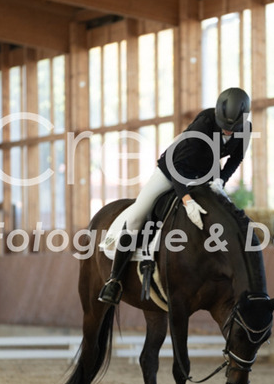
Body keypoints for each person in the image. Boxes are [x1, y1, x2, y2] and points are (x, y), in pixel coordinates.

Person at [98, 87, 252, 305]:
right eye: (224, 127)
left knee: (227, 215)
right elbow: (175, 166)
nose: (228, 132)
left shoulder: (246, 129)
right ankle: (114, 280)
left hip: (207, 175)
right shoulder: (203, 124)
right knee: (137, 214)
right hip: (173, 171)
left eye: (233, 128)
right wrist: (187, 201)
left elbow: (236, 158)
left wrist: (221, 181)